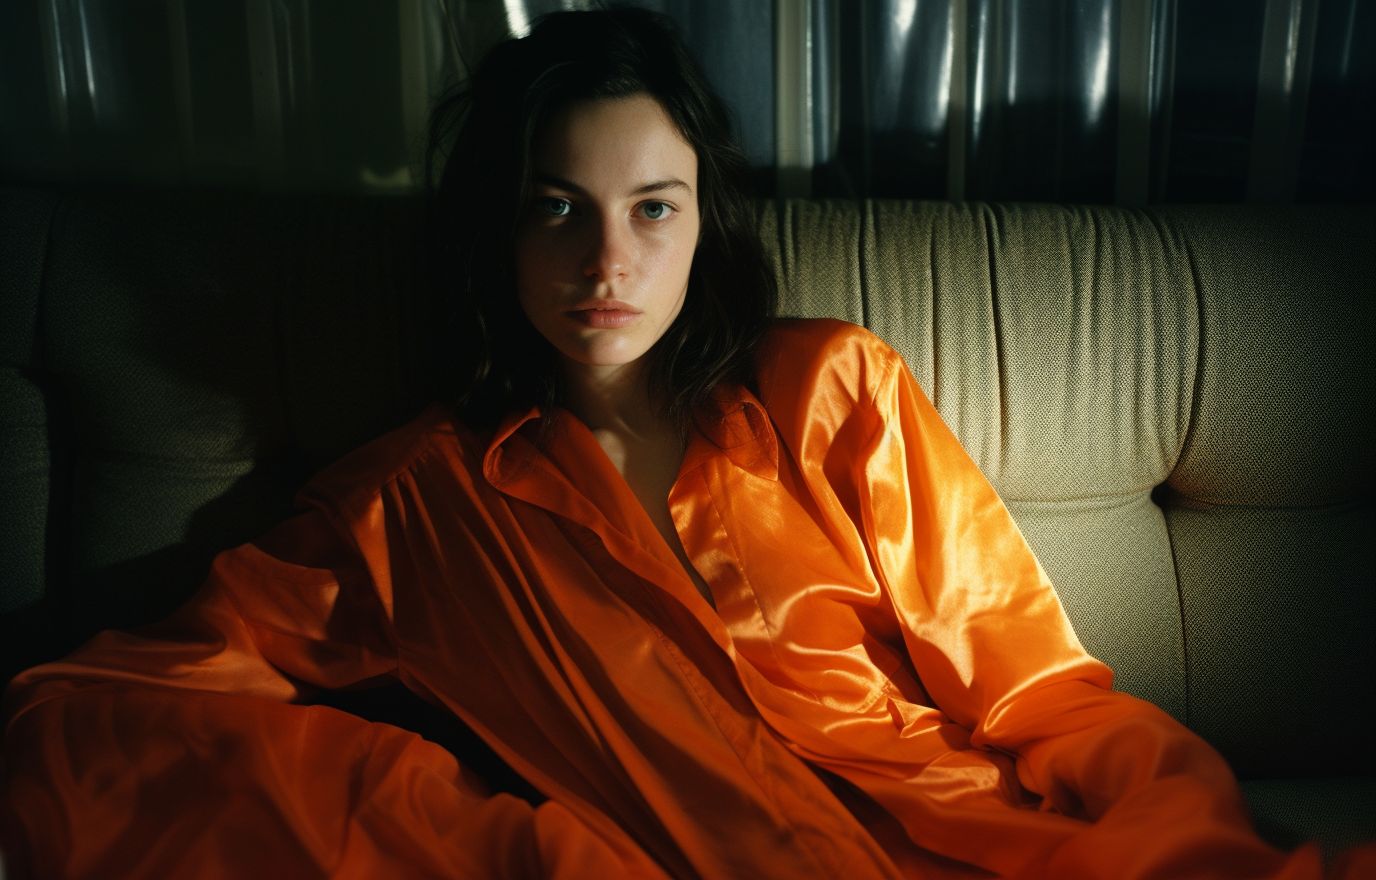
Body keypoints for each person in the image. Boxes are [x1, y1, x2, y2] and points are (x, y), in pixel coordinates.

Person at [1, 7, 1371, 879]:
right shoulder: (407, 509)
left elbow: (1035, 694)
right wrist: (484, 835)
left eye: (653, 208)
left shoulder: (829, 390)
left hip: (973, 853)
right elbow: (94, 707)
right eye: (558, 209)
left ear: (706, 218)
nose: (608, 259)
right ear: (500, 228)